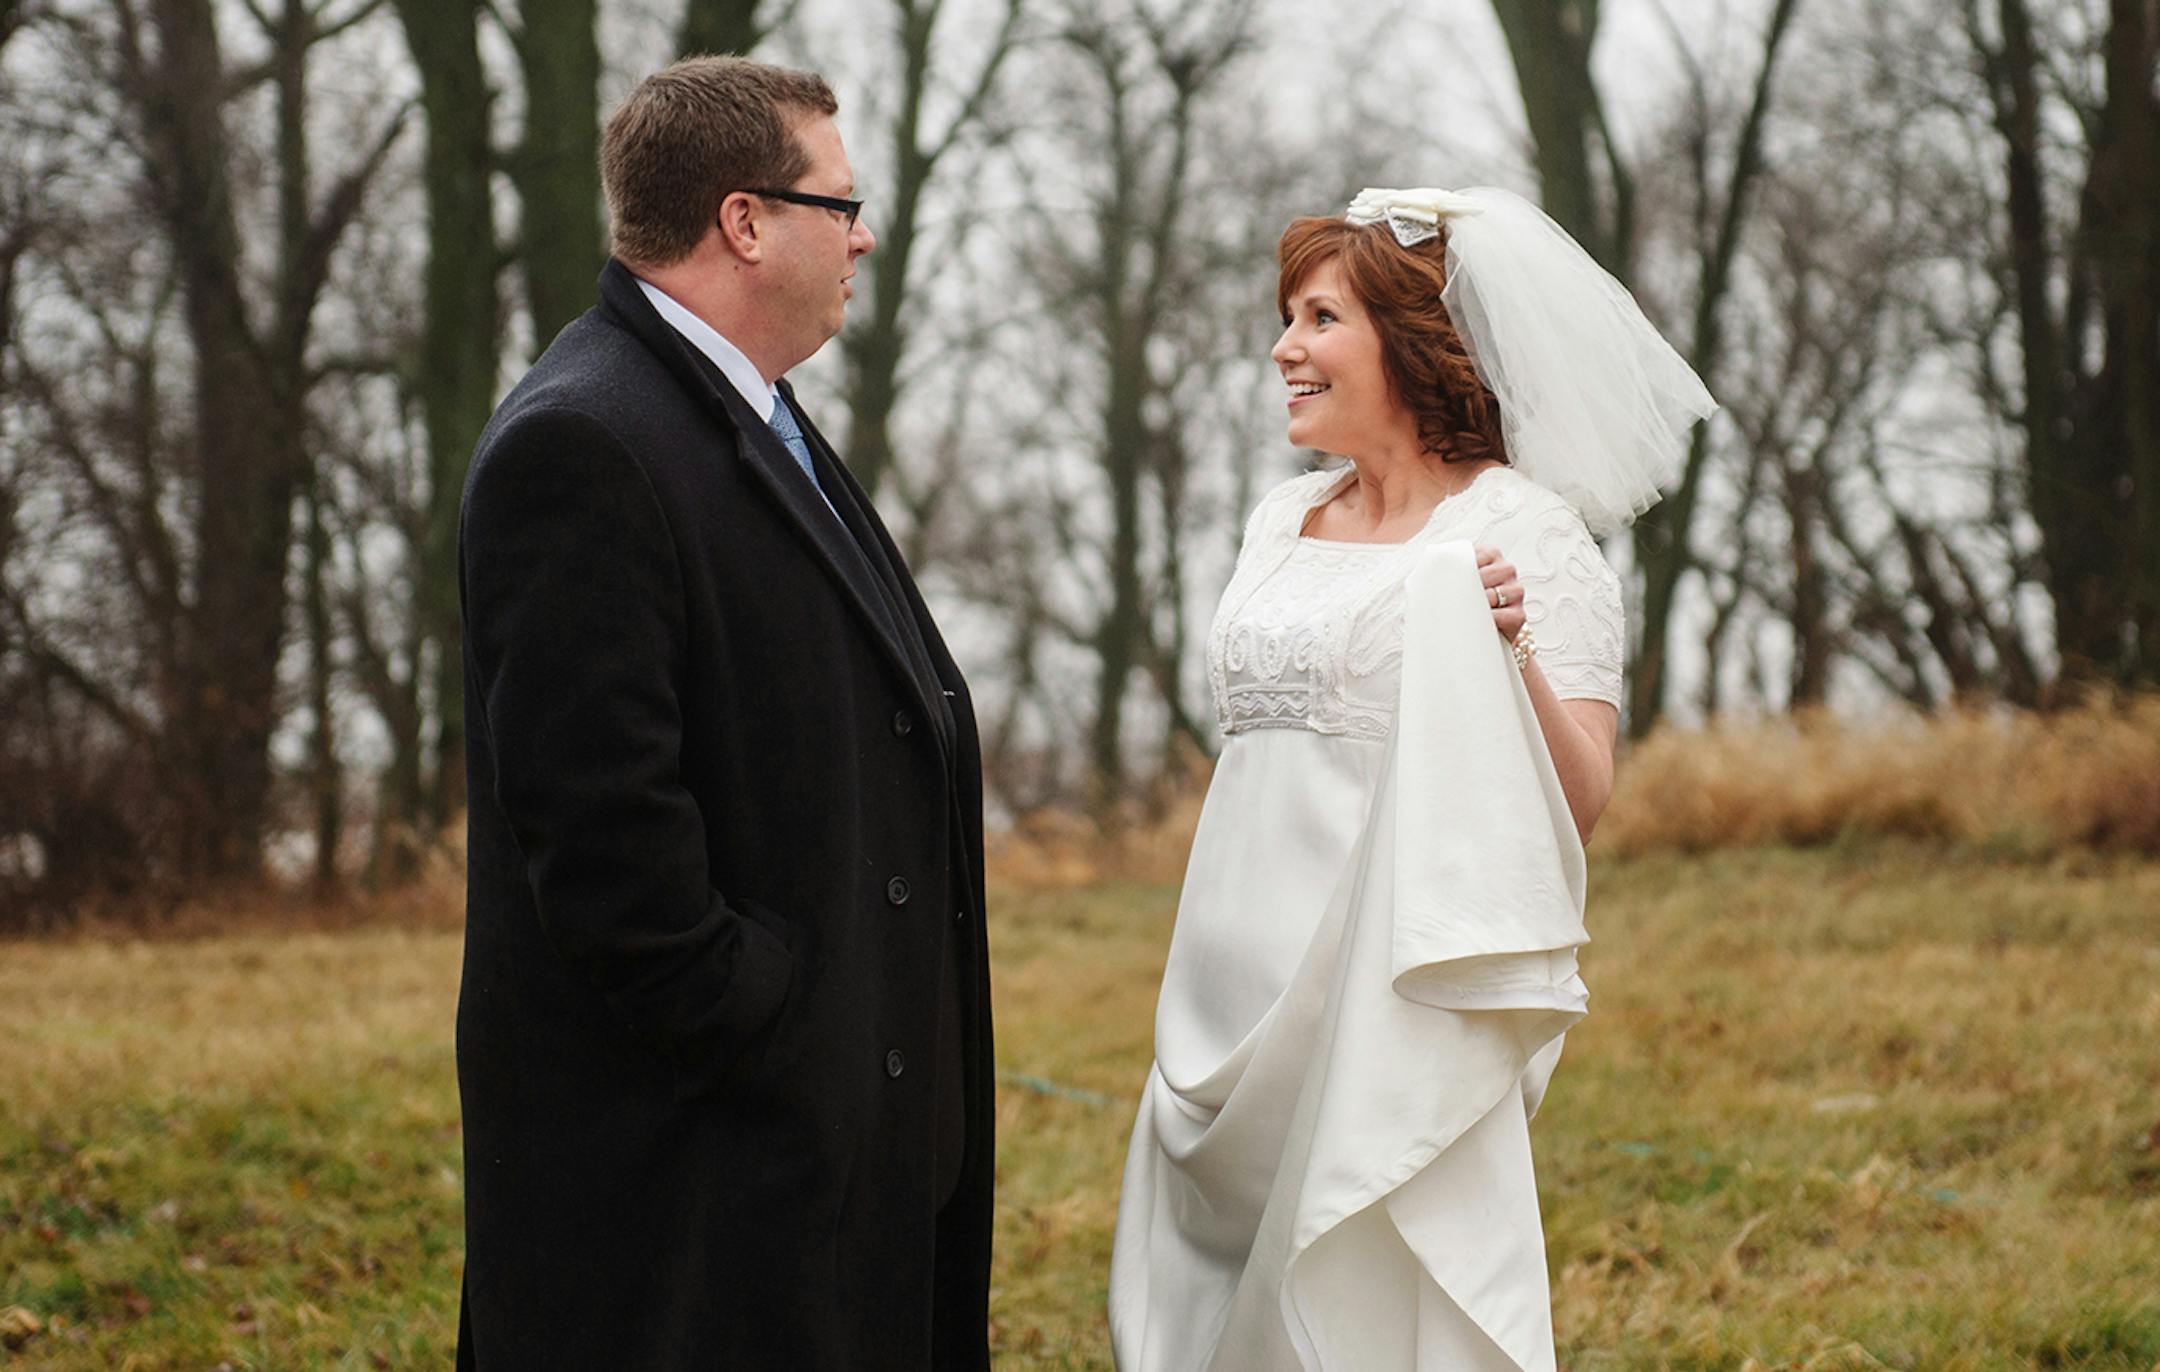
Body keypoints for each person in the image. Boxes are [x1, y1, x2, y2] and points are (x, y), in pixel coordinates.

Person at [1107, 187, 1716, 1371]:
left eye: (1319, 318)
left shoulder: (1528, 534)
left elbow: (1582, 793)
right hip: (1222, 991)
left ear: (1413, 342)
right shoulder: (1280, 520)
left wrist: (1511, 650)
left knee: (1362, 1299)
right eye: (1287, 318)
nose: (1285, 347)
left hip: (1383, 986)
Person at [454, 57, 992, 1371]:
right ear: (746, 222)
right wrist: (785, 1031)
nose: (863, 232)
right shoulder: (583, 444)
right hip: (700, 1204)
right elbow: (604, 850)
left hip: (807, 1182)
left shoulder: (745, 407)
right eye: (838, 202)